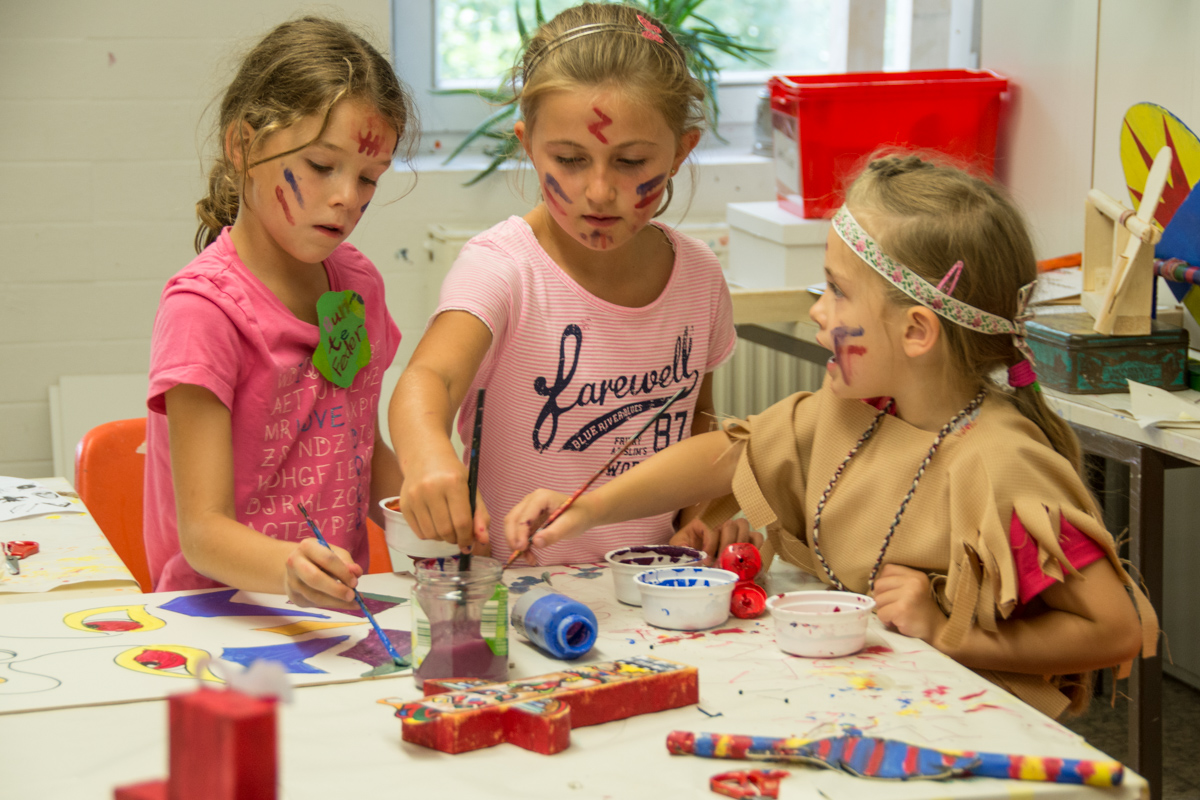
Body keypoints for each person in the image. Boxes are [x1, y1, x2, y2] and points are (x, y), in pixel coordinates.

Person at [505, 153, 1158, 718]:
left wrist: (948, 632)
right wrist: (587, 506)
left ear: (916, 332)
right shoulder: (858, 409)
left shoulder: (1001, 464)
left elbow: (1118, 628)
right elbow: (729, 455)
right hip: (872, 701)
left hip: (966, 731)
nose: (818, 311)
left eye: (838, 292)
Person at [390, 3, 755, 567]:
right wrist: (428, 457)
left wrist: (700, 516)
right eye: (569, 159)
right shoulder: (501, 268)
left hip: (648, 591)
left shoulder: (699, 276)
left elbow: (695, 419)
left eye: (631, 161)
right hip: (517, 590)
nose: (600, 191)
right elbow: (427, 378)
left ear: (681, 151)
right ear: (528, 144)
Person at [143, 17, 415, 608]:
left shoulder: (357, 288)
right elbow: (203, 533)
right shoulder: (204, 312)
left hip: (333, 614)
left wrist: (426, 515)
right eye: (321, 165)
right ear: (243, 145)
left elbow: (360, 449)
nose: (347, 197)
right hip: (217, 620)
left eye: (369, 178)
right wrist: (289, 569)